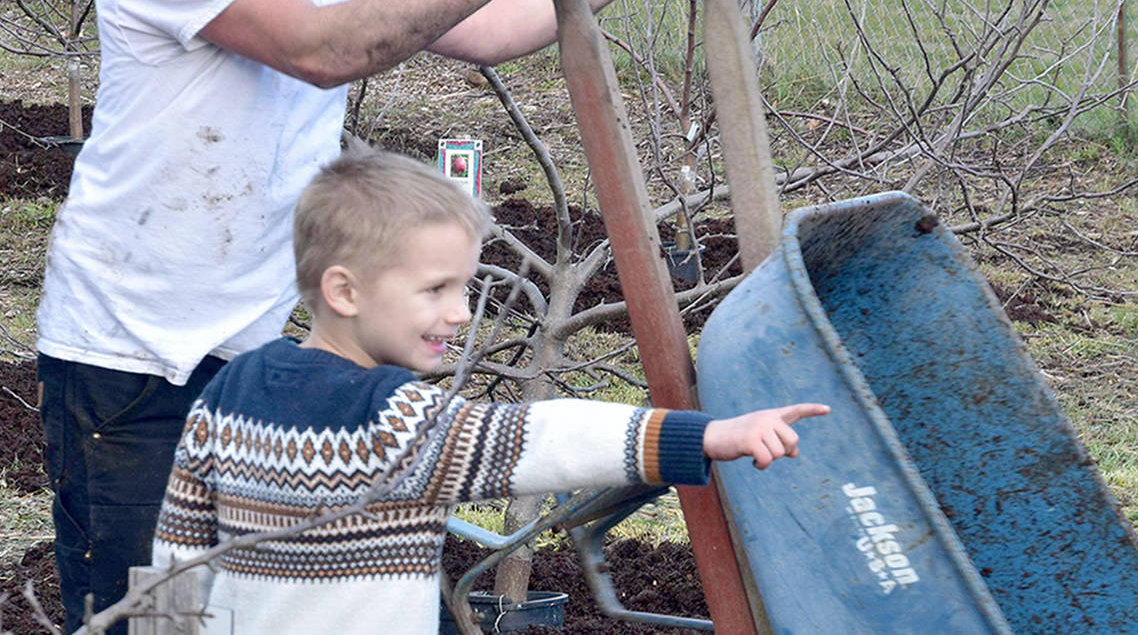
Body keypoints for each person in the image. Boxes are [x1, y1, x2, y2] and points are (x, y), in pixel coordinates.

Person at [34, 0, 738, 629]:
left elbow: (493, 25)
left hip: (255, 346)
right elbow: (318, 47)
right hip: (129, 361)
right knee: (154, 618)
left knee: (291, 596)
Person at [147, 148, 828, 634]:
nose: (461, 311)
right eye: (436, 289)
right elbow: (539, 440)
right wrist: (703, 434)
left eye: (465, 286)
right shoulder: (392, 418)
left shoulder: (228, 391)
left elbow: (176, 560)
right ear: (345, 291)